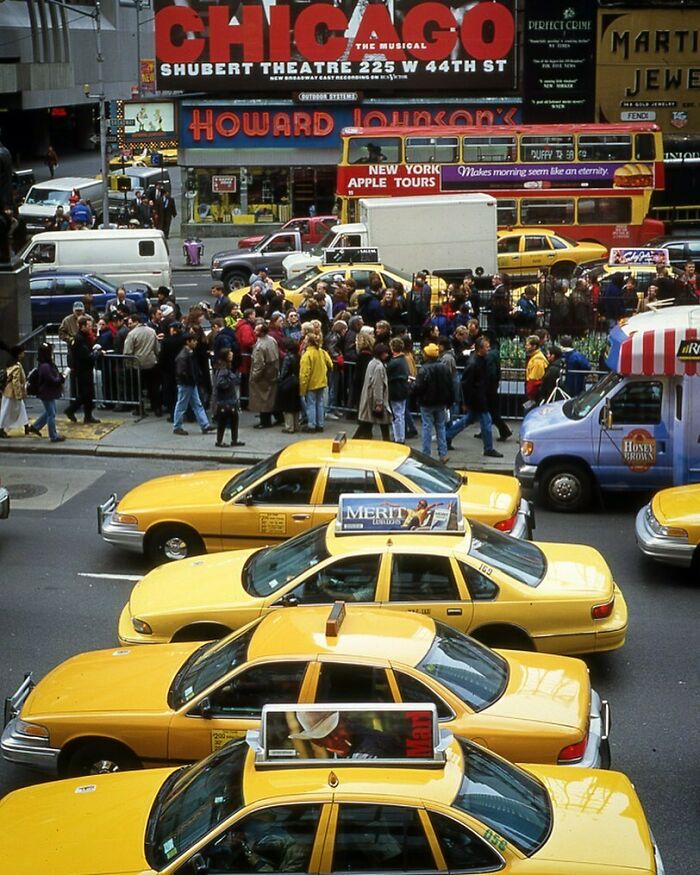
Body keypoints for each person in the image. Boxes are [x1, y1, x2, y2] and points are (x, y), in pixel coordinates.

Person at [445, 337, 503, 458]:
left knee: (467, 420)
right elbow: (466, 385)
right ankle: (488, 448)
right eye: (486, 347)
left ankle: (447, 436)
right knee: (486, 423)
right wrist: (465, 402)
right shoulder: (474, 364)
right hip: (478, 399)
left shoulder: (478, 360)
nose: (488, 349)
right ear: (480, 349)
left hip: (478, 398)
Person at [290, 711, 399, 759]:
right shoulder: (344, 756)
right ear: (318, 742)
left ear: (345, 720)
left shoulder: (371, 749)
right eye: (327, 736)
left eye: (337, 729)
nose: (337, 738)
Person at [412, 343, 453, 462]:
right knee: (441, 427)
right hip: (441, 402)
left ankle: (426, 454)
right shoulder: (444, 368)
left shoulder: (424, 369)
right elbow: (450, 385)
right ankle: (443, 454)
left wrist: (412, 388)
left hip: (426, 403)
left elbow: (419, 387)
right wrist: (449, 401)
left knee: (427, 427)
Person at [172, 332, 214, 436]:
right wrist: (192, 378)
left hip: (190, 383)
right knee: (183, 405)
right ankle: (177, 426)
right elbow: (182, 372)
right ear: (188, 342)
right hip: (186, 384)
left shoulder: (188, 353)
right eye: (194, 341)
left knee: (196, 404)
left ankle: (205, 425)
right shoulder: (184, 355)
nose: (196, 343)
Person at [64, 316, 101, 424]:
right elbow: (87, 355)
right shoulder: (79, 339)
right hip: (82, 370)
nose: (90, 327)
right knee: (85, 393)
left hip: (86, 369)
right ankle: (71, 410)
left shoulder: (84, 337)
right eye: (88, 326)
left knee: (88, 394)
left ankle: (87, 416)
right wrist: (97, 353)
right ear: (82, 326)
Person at [123, 314, 161, 416]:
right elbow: (157, 348)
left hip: (137, 364)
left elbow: (127, 351)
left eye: (131, 323)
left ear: (136, 322)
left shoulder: (132, 334)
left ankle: (139, 409)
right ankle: (157, 408)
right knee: (153, 387)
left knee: (137, 388)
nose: (129, 325)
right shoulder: (152, 331)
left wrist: (127, 364)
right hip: (151, 362)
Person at [27, 342, 65, 442]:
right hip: (46, 393)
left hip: (46, 392)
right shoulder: (45, 366)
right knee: (51, 414)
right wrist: (61, 379)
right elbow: (51, 380)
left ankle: (35, 427)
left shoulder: (44, 364)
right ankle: (53, 436)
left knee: (50, 411)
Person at [249, 321, 280, 429]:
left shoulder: (259, 346)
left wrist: (253, 377)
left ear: (261, 333)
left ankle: (265, 422)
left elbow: (259, 365)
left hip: (263, 376)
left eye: (256, 330)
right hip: (273, 372)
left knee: (262, 400)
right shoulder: (272, 340)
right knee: (272, 397)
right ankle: (278, 417)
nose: (254, 331)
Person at [299, 333, 332, 433]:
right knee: (320, 403)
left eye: (305, 340)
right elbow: (330, 363)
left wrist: (302, 389)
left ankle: (311, 425)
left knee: (311, 405)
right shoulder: (321, 352)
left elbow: (304, 374)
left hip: (312, 383)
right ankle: (320, 424)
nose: (303, 341)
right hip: (322, 381)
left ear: (308, 342)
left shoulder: (307, 355)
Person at [212, 347, 244, 447]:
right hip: (225, 400)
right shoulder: (223, 369)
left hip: (228, 399)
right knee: (224, 421)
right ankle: (220, 441)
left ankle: (232, 440)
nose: (232, 355)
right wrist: (231, 379)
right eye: (230, 355)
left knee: (233, 419)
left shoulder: (226, 367)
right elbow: (220, 384)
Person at [0, 345, 29, 438]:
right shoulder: (17, 366)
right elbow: (15, 381)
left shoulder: (10, 363)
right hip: (12, 392)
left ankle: (26, 426)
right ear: (18, 354)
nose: (23, 354)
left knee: (21, 409)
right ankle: (1, 429)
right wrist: (19, 394)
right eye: (22, 352)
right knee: (6, 411)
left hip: (8, 391)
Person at [386, 336, 410, 443]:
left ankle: (399, 438)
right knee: (401, 414)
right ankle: (400, 436)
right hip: (403, 390)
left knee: (397, 415)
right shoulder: (403, 359)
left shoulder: (394, 363)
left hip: (395, 391)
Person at [277, 337, 302, 433]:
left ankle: (289, 427)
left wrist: (280, 380)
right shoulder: (298, 356)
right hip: (297, 382)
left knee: (288, 406)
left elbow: (284, 372)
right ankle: (296, 425)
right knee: (296, 405)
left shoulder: (287, 357)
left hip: (288, 383)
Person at [524, 334, 548, 406]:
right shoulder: (535, 357)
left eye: (528, 345)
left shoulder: (537, 360)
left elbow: (535, 381)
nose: (526, 347)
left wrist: (530, 394)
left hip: (535, 395)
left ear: (534, 346)